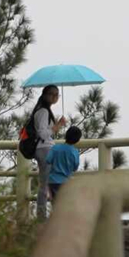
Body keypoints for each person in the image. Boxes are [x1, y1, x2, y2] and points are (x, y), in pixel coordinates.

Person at [33, 84, 66, 220]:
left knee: (48, 183)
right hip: (44, 149)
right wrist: (57, 126)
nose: (54, 97)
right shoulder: (43, 112)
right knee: (46, 184)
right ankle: (42, 217)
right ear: (45, 95)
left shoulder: (44, 111)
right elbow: (42, 134)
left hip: (45, 149)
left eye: (57, 94)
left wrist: (56, 125)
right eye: (52, 94)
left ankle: (46, 215)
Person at [46, 126, 81, 203]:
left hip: (53, 181)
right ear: (77, 140)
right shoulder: (75, 152)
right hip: (66, 182)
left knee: (55, 203)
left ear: (66, 135)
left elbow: (48, 160)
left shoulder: (55, 148)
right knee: (64, 204)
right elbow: (75, 168)